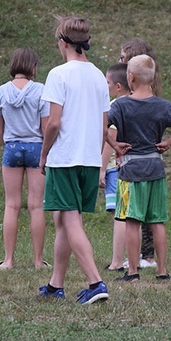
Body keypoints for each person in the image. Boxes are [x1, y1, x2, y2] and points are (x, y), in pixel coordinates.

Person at [38, 16, 110, 304]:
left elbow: (53, 123)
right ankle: (56, 285)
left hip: (65, 158)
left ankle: (95, 282)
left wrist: (43, 154)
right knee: (63, 220)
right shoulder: (99, 76)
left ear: (63, 42)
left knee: (70, 219)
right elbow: (104, 127)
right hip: (90, 159)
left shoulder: (58, 74)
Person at [108, 54, 171, 282]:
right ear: (152, 77)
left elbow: (101, 126)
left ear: (130, 77)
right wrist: (169, 142)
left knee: (132, 221)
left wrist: (114, 144)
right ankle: (162, 271)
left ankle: (133, 272)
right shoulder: (163, 105)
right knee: (157, 221)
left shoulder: (120, 105)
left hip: (131, 171)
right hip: (156, 169)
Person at [0, 48, 50, 270]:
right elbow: (46, 128)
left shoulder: (0, 92)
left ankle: (8, 260)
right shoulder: (41, 91)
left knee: (12, 204)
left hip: (12, 147)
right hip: (36, 147)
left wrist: (7, 144)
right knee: (36, 206)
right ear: (33, 67)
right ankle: (37, 261)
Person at [119, 38, 162, 269]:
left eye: (123, 58)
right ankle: (145, 257)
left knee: (138, 214)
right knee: (148, 213)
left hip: (138, 161)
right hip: (149, 159)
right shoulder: (146, 93)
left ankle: (145, 257)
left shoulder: (136, 98)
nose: (119, 62)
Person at [101, 63, 129, 272]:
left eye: (108, 82)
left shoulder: (114, 107)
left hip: (114, 168)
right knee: (131, 214)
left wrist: (101, 169)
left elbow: (111, 138)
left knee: (119, 214)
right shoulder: (138, 103)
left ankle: (118, 261)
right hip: (133, 166)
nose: (105, 85)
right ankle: (133, 257)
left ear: (118, 86)